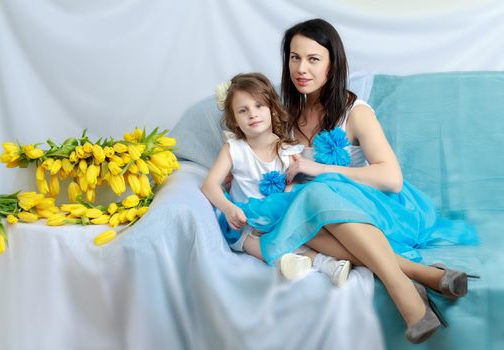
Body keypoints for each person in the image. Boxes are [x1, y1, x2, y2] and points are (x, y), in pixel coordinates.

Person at [232, 19, 479, 344]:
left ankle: (401, 288)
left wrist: (323, 171)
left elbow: (391, 179)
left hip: (382, 212)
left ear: (332, 64)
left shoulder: (355, 113)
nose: (301, 68)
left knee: (316, 191)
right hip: (327, 223)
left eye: (313, 59)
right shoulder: (284, 115)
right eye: (294, 57)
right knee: (296, 207)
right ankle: (424, 275)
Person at [201, 72, 351, 285]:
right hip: (244, 219)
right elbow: (209, 185)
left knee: (295, 233)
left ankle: (329, 265)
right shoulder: (234, 149)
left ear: (272, 109)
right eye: (243, 111)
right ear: (234, 119)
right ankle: (284, 262)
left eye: (259, 106)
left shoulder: (287, 149)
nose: (252, 114)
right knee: (250, 241)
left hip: (276, 218)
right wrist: (228, 208)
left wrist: (278, 213)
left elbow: (292, 186)